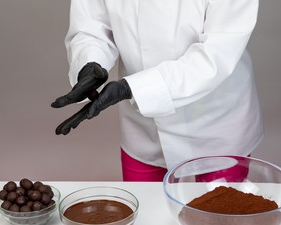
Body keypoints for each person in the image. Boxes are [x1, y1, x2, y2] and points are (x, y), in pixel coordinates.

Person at [51, 0, 264, 182]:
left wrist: (131, 88)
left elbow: (216, 55)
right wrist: (90, 63)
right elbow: (92, 27)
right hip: (143, 125)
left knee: (220, 222)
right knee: (147, 216)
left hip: (215, 120)